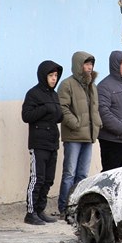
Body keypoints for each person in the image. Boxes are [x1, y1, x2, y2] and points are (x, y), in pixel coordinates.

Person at [56, 51, 102, 218]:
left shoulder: (92, 86)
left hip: (89, 136)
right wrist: (75, 123)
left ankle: (77, 208)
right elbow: (62, 107)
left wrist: (97, 124)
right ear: (78, 65)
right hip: (73, 136)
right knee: (69, 173)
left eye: (91, 64)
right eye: (86, 64)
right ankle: (64, 208)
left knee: (82, 175)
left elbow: (95, 109)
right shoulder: (67, 84)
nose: (89, 67)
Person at [21, 60, 63, 225]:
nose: (54, 79)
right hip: (38, 143)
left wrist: (60, 114)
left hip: (52, 142)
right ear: (43, 76)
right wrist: (45, 109)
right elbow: (26, 116)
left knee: (48, 179)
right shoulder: (33, 94)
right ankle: (30, 213)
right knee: (37, 178)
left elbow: (58, 115)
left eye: (56, 76)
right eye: (51, 75)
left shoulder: (54, 94)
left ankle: (40, 209)